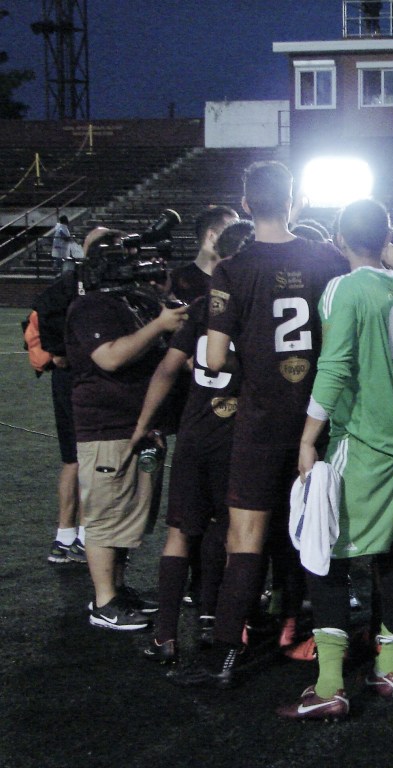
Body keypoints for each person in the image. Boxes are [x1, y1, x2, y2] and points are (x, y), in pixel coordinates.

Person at [172, 161, 347, 687]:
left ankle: (226, 655)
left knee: (246, 537)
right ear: (293, 201)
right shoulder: (327, 259)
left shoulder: (232, 269)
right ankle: (320, 643)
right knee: (321, 531)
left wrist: (253, 354)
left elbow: (215, 358)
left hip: (261, 419)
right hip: (320, 418)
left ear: (247, 206)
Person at [277, 199, 393, 721]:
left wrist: (308, 438)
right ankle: (388, 670)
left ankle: (330, 685)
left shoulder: (344, 288)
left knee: (325, 554)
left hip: (362, 443)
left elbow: (335, 366)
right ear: (386, 236)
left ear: (340, 240)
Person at [132, 221, 254, 663]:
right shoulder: (258, 304)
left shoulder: (204, 306)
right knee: (230, 530)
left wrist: (143, 424)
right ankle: (215, 619)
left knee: (180, 532)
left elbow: (168, 369)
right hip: (238, 434)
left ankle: (164, 634)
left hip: (196, 431)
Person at [65, 228, 189, 630]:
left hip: (135, 426)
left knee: (126, 514)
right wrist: (159, 325)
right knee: (105, 517)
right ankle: (104, 602)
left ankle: (117, 590)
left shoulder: (126, 301)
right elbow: (110, 358)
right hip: (107, 427)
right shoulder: (91, 306)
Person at [33, 269, 86, 564]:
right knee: (90, 457)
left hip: (65, 377)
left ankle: (64, 537)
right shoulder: (86, 280)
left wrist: (56, 350)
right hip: (83, 377)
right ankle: (85, 538)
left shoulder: (70, 280)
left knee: (72, 459)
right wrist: (59, 350)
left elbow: (43, 306)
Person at [169, 206, 239, 303]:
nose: (240, 239)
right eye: (233, 232)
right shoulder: (175, 281)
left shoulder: (241, 281)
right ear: (212, 236)